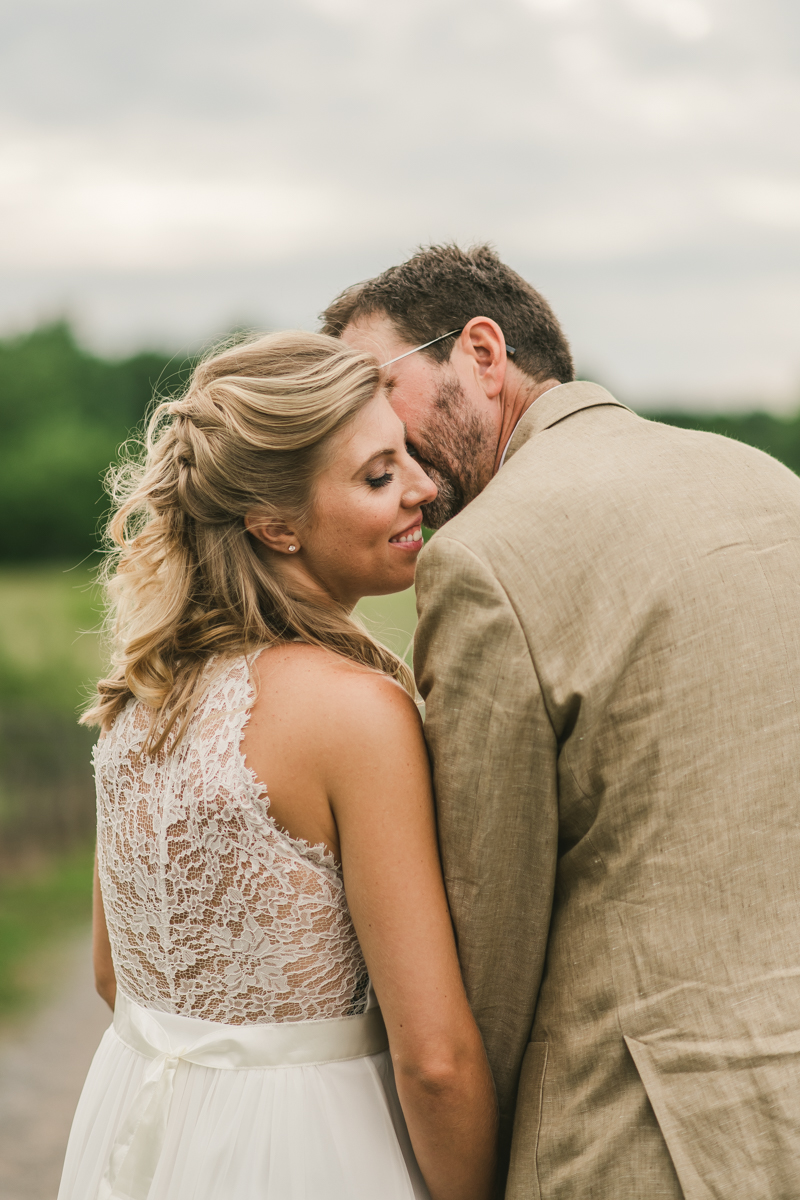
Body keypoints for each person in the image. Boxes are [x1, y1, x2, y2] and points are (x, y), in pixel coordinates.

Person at [324, 244, 800, 1199]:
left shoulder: (485, 562)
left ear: (483, 353)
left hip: (634, 1147)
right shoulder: (771, 487)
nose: (374, 429)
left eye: (379, 385)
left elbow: (483, 958)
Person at [58, 331, 497, 1200]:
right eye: (379, 476)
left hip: (140, 1130)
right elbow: (436, 1062)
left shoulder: (139, 698)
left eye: (408, 456)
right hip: (314, 1152)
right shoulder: (357, 714)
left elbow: (115, 977)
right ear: (274, 524)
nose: (424, 487)